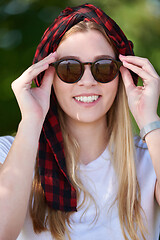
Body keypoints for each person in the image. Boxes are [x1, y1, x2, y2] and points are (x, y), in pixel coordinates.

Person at [0, 3, 160, 240]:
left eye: (103, 67)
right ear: (47, 76)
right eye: (69, 68)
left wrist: (149, 119)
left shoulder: (151, 158)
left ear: (121, 75)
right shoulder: (7, 153)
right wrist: (31, 122)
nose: (87, 81)